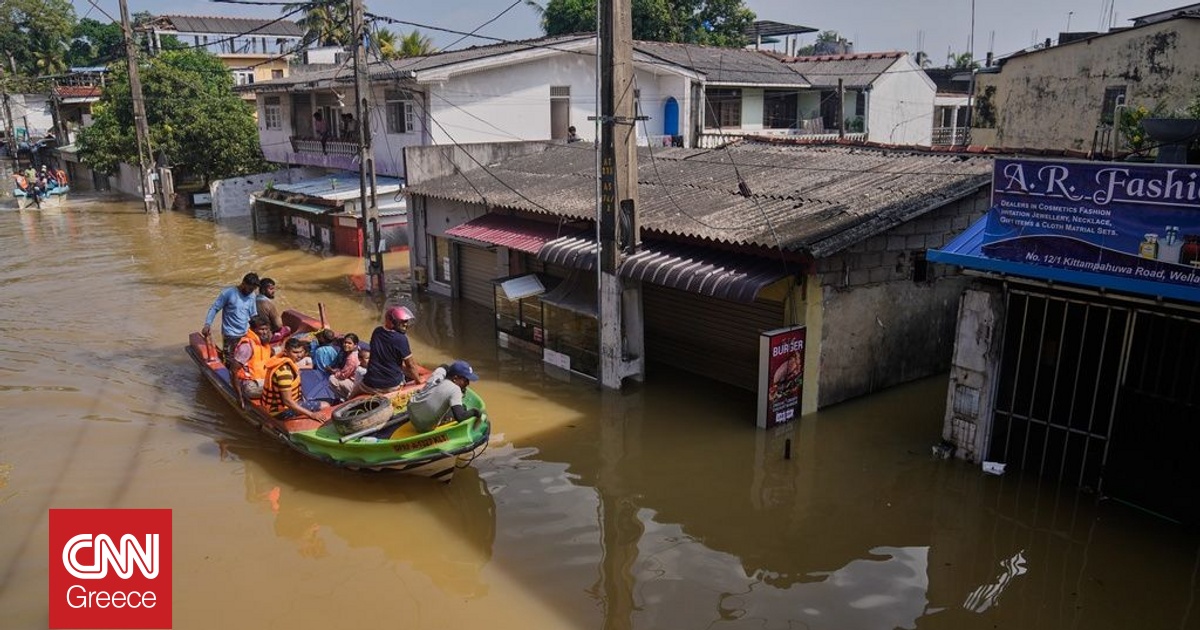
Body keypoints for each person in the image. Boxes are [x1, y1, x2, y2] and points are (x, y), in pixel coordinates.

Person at [351, 305, 423, 397]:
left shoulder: (377, 332)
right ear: (391, 321)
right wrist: (418, 381)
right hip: (392, 385)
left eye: (406, 322)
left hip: (370, 384)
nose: (405, 324)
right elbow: (411, 365)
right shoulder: (401, 339)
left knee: (350, 397)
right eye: (402, 322)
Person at [262, 338, 330, 421]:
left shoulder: (283, 361)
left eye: (301, 352)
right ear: (286, 352)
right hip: (279, 411)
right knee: (325, 405)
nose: (299, 355)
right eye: (295, 352)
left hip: (281, 405)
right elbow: (287, 401)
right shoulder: (284, 372)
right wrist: (312, 414)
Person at [406, 360, 483, 433]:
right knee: (463, 408)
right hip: (423, 426)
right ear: (455, 378)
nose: (468, 383)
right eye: (466, 380)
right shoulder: (455, 390)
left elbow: (444, 366)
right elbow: (460, 417)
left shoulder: (438, 376)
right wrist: (475, 412)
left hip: (411, 413)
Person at [203, 272, 261, 361]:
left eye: (253, 289)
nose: (251, 291)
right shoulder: (229, 293)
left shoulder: (252, 296)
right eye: (249, 289)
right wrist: (207, 324)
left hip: (245, 333)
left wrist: (259, 328)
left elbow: (253, 314)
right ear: (243, 283)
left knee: (244, 359)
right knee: (229, 360)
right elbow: (214, 308)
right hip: (230, 334)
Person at [230, 316, 274, 403]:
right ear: (253, 330)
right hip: (249, 385)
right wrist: (239, 396)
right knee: (281, 385)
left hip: (261, 381)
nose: (265, 332)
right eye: (262, 329)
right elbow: (233, 371)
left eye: (266, 329)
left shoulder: (264, 344)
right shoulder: (247, 347)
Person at [327, 334, 362, 399]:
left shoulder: (351, 358)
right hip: (357, 380)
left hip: (355, 384)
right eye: (345, 342)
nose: (346, 345)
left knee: (332, 379)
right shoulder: (357, 351)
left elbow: (343, 375)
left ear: (355, 345)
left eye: (349, 343)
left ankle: (346, 397)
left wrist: (333, 371)